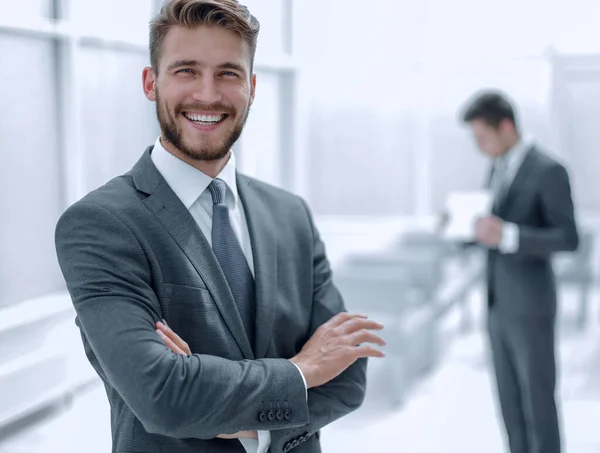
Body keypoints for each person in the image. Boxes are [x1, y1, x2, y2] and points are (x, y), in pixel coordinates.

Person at [54, 1, 386, 452]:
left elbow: (347, 377)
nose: (207, 95)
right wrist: (303, 371)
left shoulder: (291, 216)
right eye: (186, 71)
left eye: (228, 73)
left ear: (251, 87)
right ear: (151, 83)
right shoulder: (100, 225)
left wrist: (220, 405)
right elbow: (164, 395)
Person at [460, 91, 579, 453]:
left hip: (532, 307)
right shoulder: (496, 167)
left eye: (483, 137)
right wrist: (461, 229)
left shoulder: (549, 170)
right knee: (509, 405)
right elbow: (490, 229)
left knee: (538, 403)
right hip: (497, 305)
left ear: (506, 126)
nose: (479, 146)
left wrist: (511, 236)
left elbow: (568, 238)